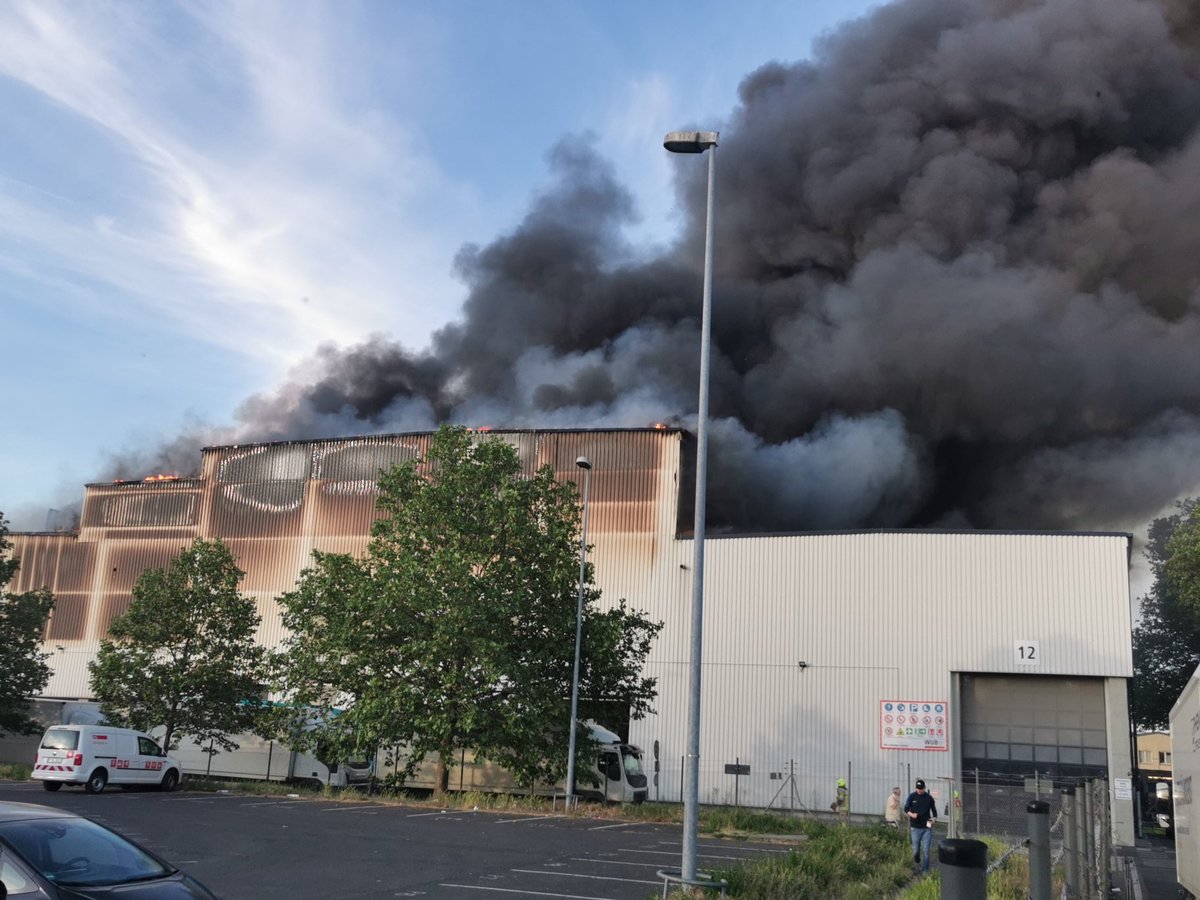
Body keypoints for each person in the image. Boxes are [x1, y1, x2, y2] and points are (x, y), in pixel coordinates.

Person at [904, 779, 938, 872]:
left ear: (924, 788)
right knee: (916, 850)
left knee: (926, 850)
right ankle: (917, 864)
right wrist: (912, 814)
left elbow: (934, 811)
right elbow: (906, 808)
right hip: (915, 827)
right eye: (918, 789)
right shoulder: (912, 797)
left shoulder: (929, 798)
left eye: (921, 789)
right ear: (916, 788)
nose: (920, 790)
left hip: (927, 827)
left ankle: (925, 870)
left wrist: (934, 819)